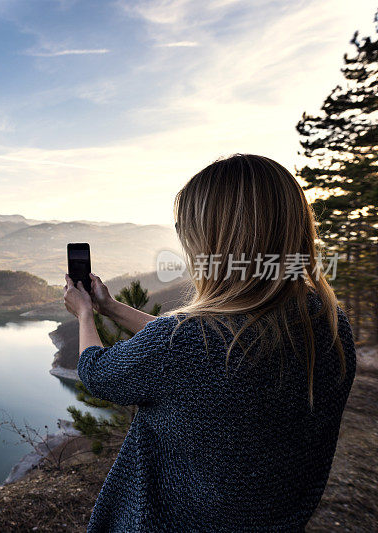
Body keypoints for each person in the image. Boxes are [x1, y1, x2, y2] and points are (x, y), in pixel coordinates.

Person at [63, 154, 356, 532]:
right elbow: (205, 350)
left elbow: (98, 372)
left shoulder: (186, 344)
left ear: (219, 240)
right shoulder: (328, 324)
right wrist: (112, 308)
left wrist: (85, 314)